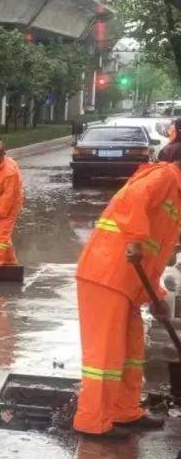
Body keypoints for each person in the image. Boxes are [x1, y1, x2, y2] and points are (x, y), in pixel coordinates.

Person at [72, 147, 181, 437]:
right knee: (105, 356)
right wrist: (134, 239)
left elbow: (153, 258)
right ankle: (92, 421)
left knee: (131, 353)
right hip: (107, 274)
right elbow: (134, 198)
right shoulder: (166, 175)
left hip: (129, 283)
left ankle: (124, 411)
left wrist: (156, 296)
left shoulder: (177, 195)